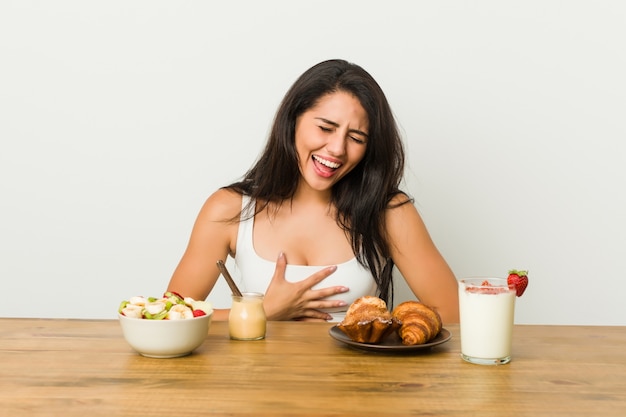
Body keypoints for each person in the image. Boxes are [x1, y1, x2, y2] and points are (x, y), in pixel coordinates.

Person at [166, 59, 459, 323]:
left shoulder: (389, 212)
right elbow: (170, 315)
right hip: (259, 382)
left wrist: (381, 330)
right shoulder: (229, 208)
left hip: (356, 381)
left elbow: (454, 315)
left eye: (356, 137)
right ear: (293, 120)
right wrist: (262, 312)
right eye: (326, 127)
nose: (337, 149)